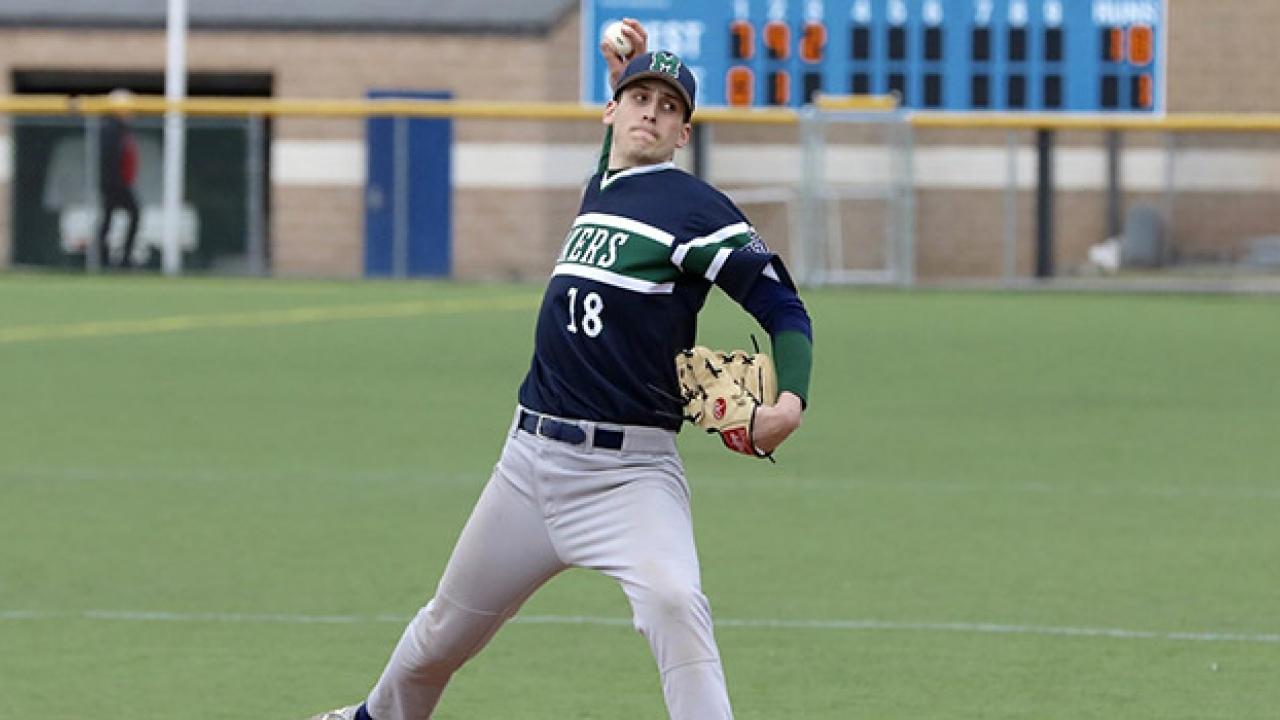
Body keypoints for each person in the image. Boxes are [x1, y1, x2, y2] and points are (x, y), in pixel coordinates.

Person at [311, 20, 813, 720]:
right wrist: (620, 74)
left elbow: (783, 305)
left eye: (669, 107)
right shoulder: (600, 188)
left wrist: (790, 403)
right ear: (612, 110)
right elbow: (618, 156)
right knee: (442, 634)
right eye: (640, 98)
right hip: (528, 465)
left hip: (630, 476)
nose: (652, 113)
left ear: (683, 134)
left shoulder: (698, 211)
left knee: (674, 602)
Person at [95, 88, 141, 269]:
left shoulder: (121, 129)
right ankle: (109, 258)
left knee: (110, 219)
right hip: (114, 183)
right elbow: (109, 159)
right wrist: (114, 182)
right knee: (129, 215)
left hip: (119, 182)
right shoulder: (111, 129)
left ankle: (106, 258)